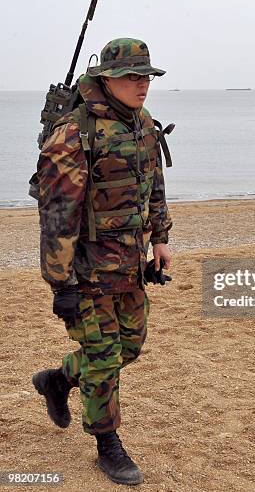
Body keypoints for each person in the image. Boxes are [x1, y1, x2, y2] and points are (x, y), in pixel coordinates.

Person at [32, 38, 173, 486]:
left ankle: (57, 379)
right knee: (103, 357)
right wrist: (61, 285)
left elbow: (154, 184)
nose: (142, 84)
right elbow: (56, 216)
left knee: (128, 347)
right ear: (106, 78)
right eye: (132, 75)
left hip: (130, 265)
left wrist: (161, 239)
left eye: (146, 75)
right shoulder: (74, 133)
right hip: (87, 271)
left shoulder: (143, 123)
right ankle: (107, 443)